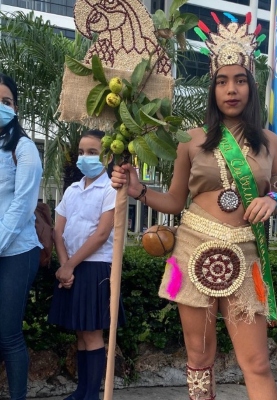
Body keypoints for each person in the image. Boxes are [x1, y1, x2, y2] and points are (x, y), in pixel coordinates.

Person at [111, 16, 277, 398]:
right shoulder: (190, 139)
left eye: (240, 80)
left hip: (247, 254)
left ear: (251, 86)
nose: (231, 89)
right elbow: (174, 202)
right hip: (188, 253)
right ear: (213, 89)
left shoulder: (272, 143)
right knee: (198, 357)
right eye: (222, 81)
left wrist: (271, 201)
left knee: (256, 362)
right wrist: (139, 190)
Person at [49, 130, 124, 400]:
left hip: (95, 268)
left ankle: (92, 394)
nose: (85, 157)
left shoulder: (111, 190)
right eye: (82, 152)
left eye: (92, 152)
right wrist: (64, 265)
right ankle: (82, 390)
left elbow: (102, 234)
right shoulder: (72, 190)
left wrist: (70, 266)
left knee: (92, 334)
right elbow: (58, 232)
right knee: (80, 333)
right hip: (71, 268)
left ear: (108, 155)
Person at [0, 73, 43, 400]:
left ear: (16, 108)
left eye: (7, 102)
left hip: (16, 251)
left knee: (8, 334)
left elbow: (22, 206)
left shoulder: (24, 147)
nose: (2, 107)